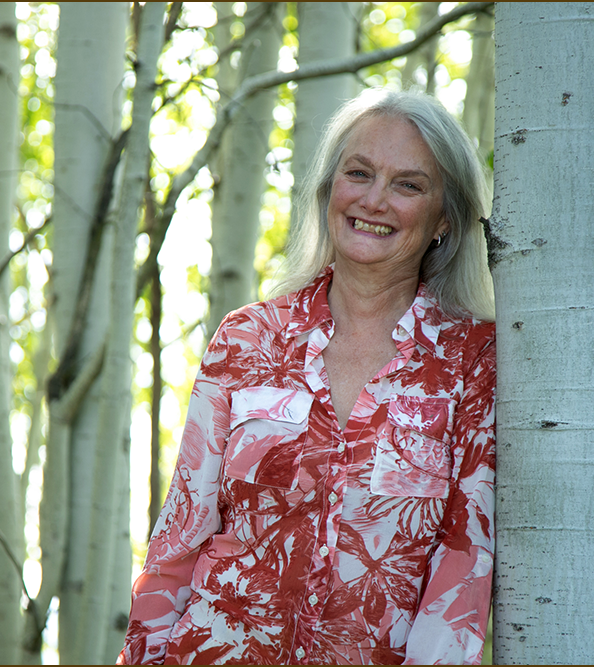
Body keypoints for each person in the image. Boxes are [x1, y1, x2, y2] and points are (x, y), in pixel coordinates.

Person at [118, 88, 496, 665]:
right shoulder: (247, 339)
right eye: (359, 173)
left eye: (408, 184)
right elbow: (178, 541)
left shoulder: (472, 361)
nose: (374, 200)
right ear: (328, 192)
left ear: (444, 219)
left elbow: (463, 565)